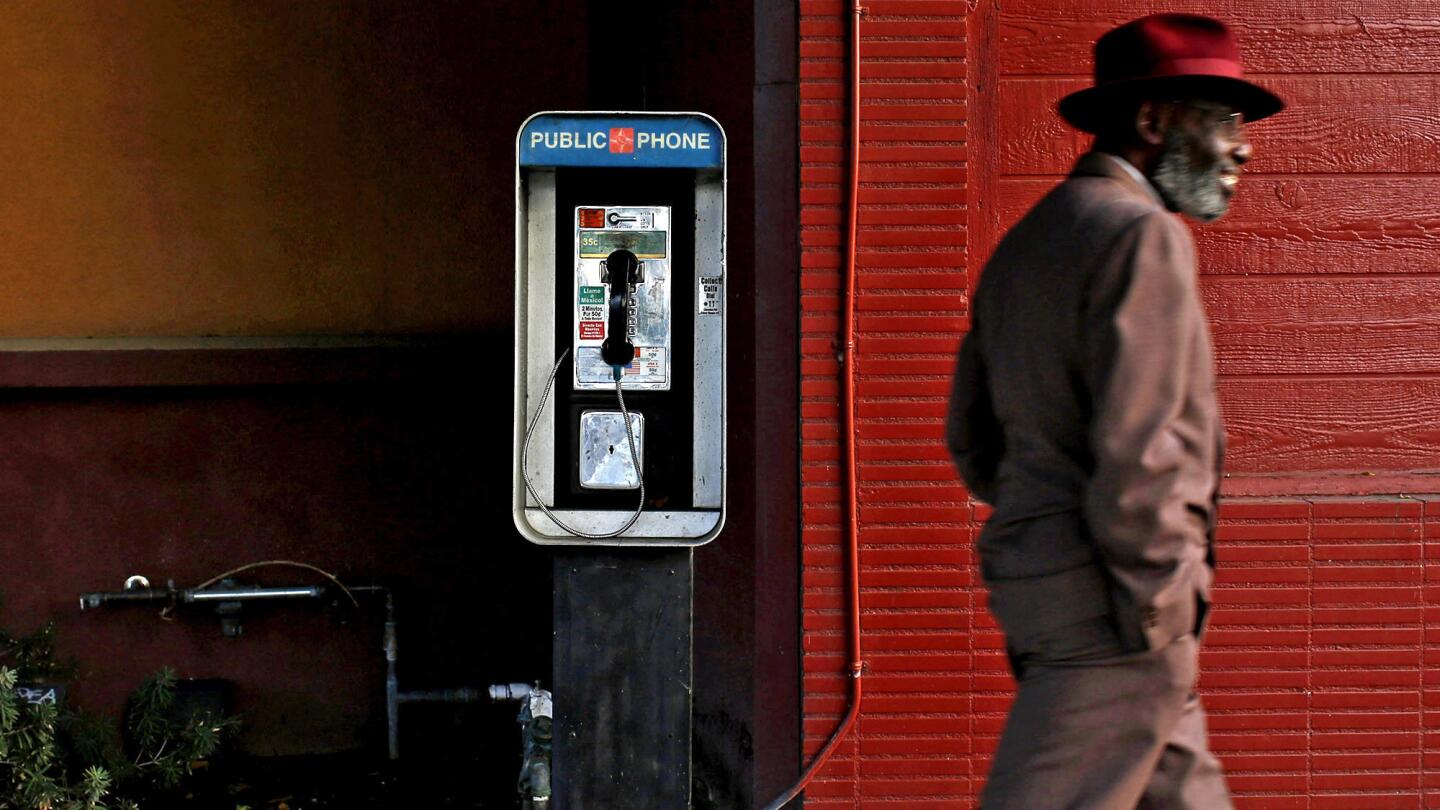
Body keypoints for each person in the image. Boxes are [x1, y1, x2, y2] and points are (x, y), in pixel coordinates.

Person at [945, 14, 1284, 809]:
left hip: (1053, 586)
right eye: (1225, 119)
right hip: (1116, 609)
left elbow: (973, 438)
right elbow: (1142, 453)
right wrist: (1165, 604)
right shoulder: (1141, 237)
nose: (1244, 146)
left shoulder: (1030, 239)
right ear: (1154, 121)